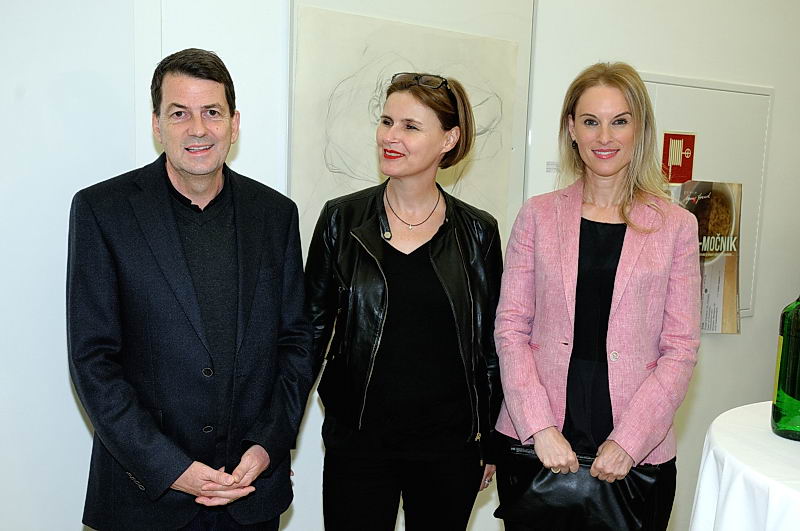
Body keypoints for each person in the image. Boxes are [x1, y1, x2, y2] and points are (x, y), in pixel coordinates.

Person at [67, 48, 314, 531]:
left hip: (249, 493)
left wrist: (267, 446)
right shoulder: (103, 211)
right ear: (157, 125)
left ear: (234, 124)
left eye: (212, 112)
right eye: (179, 113)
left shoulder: (275, 215)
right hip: (145, 498)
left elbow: (296, 344)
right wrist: (171, 468)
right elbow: (93, 360)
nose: (198, 129)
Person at [493, 62, 701, 530]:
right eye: (590, 121)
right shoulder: (537, 216)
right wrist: (539, 427)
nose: (604, 137)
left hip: (635, 450)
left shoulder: (676, 227)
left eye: (619, 121)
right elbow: (511, 328)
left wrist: (629, 440)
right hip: (539, 442)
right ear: (572, 128)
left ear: (640, 128)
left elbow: (680, 348)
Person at [305, 72, 503, 530]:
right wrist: (278, 438)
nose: (390, 136)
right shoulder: (341, 219)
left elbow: (491, 345)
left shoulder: (479, 232)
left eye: (410, 126)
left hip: (449, 449)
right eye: (386, 121)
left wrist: (491, 439)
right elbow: (308, 334)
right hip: (359, 444)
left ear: (448, 139)